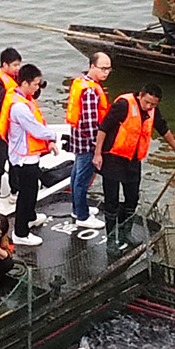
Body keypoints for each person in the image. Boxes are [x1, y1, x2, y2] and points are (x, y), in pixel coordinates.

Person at [92, 84, 175, 243]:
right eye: (147, 102)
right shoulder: (124, 105)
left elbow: (163, 128)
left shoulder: (152, 111)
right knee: (111, 202)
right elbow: (103, 128)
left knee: (132, 199)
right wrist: (97, 154)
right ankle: (111, 239)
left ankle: (124, 231)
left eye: (153, 104)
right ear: (140, 95)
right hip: (113, 158)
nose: (149, 106)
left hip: (133, 161)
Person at [6, 63, 57, 245]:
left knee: (32, 189)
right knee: (26, 194)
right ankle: (20, 232)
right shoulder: (19, 107)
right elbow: (35, 129)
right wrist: (53, 136)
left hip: (27, 155)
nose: (37, 88)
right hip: (23, 157)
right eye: (35, 84)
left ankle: (30, 216)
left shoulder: (22, 100)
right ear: (25, 83)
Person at [65, 52, 111, 228]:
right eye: (103, 68)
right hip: (87, 143)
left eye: (108, 69)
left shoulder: (81, 83)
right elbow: (91, 125)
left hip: (77, 139)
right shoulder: (91, 91)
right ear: (92, 66)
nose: (106, 72)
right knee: (82, 180)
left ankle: (78, 208)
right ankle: (82, 217)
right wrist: (97, 148)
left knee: (76, 174)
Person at [0, 48, 22, 203]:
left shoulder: (17, 78)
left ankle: (15, 191)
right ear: (5, 64)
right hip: (0, 123)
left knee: (15, 159)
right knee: (0, 160)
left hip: (14, 123)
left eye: (19, 65)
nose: (17, 69)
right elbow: (5, 99)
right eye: (14, 65)